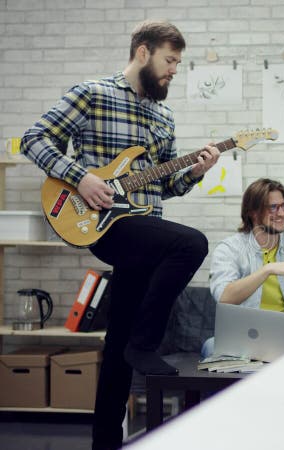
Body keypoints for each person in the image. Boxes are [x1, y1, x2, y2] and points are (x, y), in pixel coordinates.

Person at [20, 21, 220, 450]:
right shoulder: (93, 93)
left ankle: (105, 442)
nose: (173, 72)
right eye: (170, 61)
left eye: (178, 65)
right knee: (191, 243)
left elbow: (165, 185)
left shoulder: (163, 114)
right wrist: (82, 177)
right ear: (143, 53)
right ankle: (145, 344)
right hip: (101, 220)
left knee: (117, 351)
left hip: (146, 227)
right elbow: (34, 139)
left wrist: (195, 173)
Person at [203, 178, 284, 357]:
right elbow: (225, 296)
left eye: (283, 206)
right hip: (239, 339)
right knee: (210, 347)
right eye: (273, 207)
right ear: (253, 213)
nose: (281, 213)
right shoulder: (230, 249)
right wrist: (267, 270)